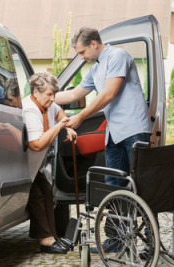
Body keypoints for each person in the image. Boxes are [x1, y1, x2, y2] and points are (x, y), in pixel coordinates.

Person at [54, 26, 152, 253]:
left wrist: (80, 116)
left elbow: (109, 93)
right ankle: (118, 240)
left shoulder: (118, 56)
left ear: (94, 44)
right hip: (114, 134)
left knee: (143, 186)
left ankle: (151, 242)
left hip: (134, 129)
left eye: (81, 52)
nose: (81, 57)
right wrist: (41, 96)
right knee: (114, 187)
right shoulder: (94, 70)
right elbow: (73, 94)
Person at [22, 72, 77, 254]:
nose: (53, 99)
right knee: (37, 195)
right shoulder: (30, 109)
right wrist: (59, 127)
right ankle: (46, 240)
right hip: (21, 165)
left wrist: (67, 126)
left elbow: (60, 113)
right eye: (49, 94)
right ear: (36, 92)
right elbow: (36, 144)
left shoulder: (47, 105)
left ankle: (51, 238)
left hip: (33, 166)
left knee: (46, 191)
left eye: (54, 94)